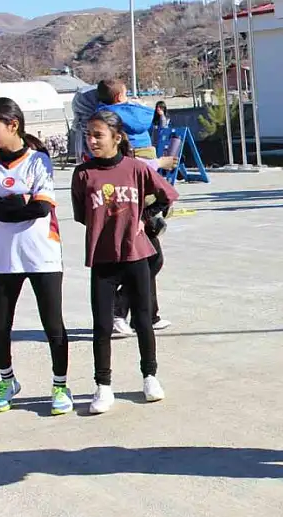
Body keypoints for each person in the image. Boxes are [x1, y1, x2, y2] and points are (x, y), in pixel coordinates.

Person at [0, 97, 73, 415]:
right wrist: (17, 201)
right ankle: (7, 380)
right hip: (3, 258)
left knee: (52, 324)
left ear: (13, 125)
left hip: (42, 254)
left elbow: (41, 208)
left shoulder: (39, 162)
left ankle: (60, 385)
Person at [72, 110, 178, 414]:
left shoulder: (136, 169)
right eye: (89, 135)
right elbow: (83, 214)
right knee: (102, 324)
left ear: (117, 138)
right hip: (103, 257)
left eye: (98, 135)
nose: (92, 141)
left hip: (136, 254)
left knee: (143, 319)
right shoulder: (83, 174)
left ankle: (150, 377)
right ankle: (103, 386)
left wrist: (143, 218)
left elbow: (166, 195)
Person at [96, 79, 158, 160]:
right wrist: (140, 107)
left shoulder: (100, 114)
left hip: (122, 152)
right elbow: (152, 117)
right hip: (145, 150)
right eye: (126, 94)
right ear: (119, 97)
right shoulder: (134, 111)